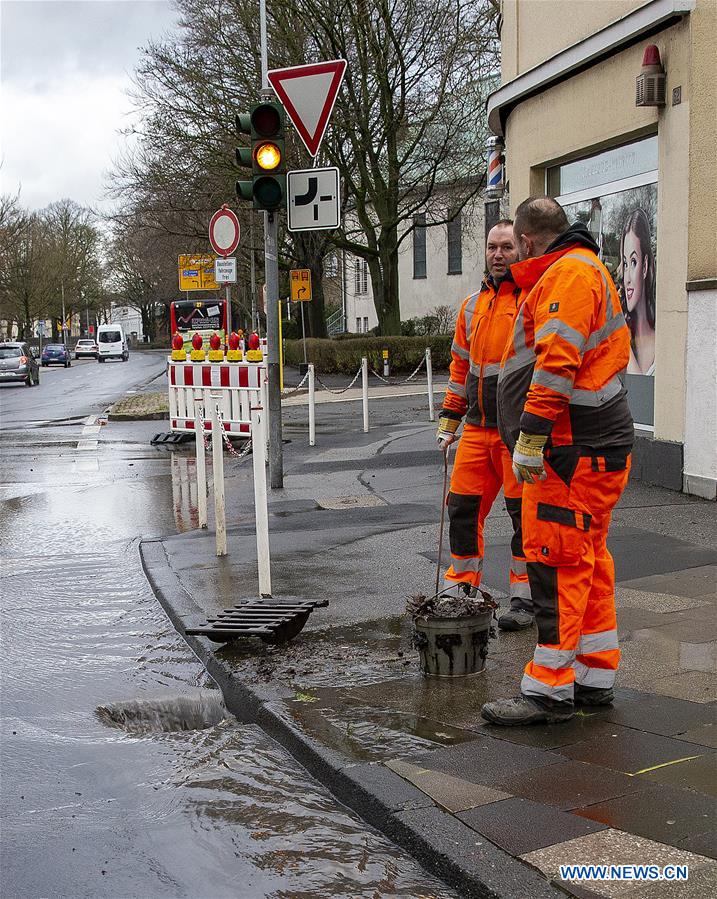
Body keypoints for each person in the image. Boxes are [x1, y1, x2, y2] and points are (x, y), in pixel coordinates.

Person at [481, 197, 634, 726]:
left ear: (525, 240)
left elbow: (557, 362)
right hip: (591, 447)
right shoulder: (584, 268)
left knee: (556, 561)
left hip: (572, 449)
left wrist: (530, 437)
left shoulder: (567, 275)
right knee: (587, 558)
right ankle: (593, 676)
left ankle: (548, 689)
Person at [435, 220, 533, 630]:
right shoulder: (472, 306)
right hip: (477, 429)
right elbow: (461, 368)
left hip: (516, 431)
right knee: (461, 510)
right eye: (492, 247)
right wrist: (449, 420)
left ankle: (526, 600)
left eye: (506, 247)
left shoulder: (532, 300)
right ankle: (462, 590)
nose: (498, 254)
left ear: (520, 249)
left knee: (523, 518)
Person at [620, 208, 656, 375]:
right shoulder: (620, 337)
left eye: (633, 262)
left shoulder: (663, 338)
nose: (627, 278)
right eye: (625, 263)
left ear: (645, 266)